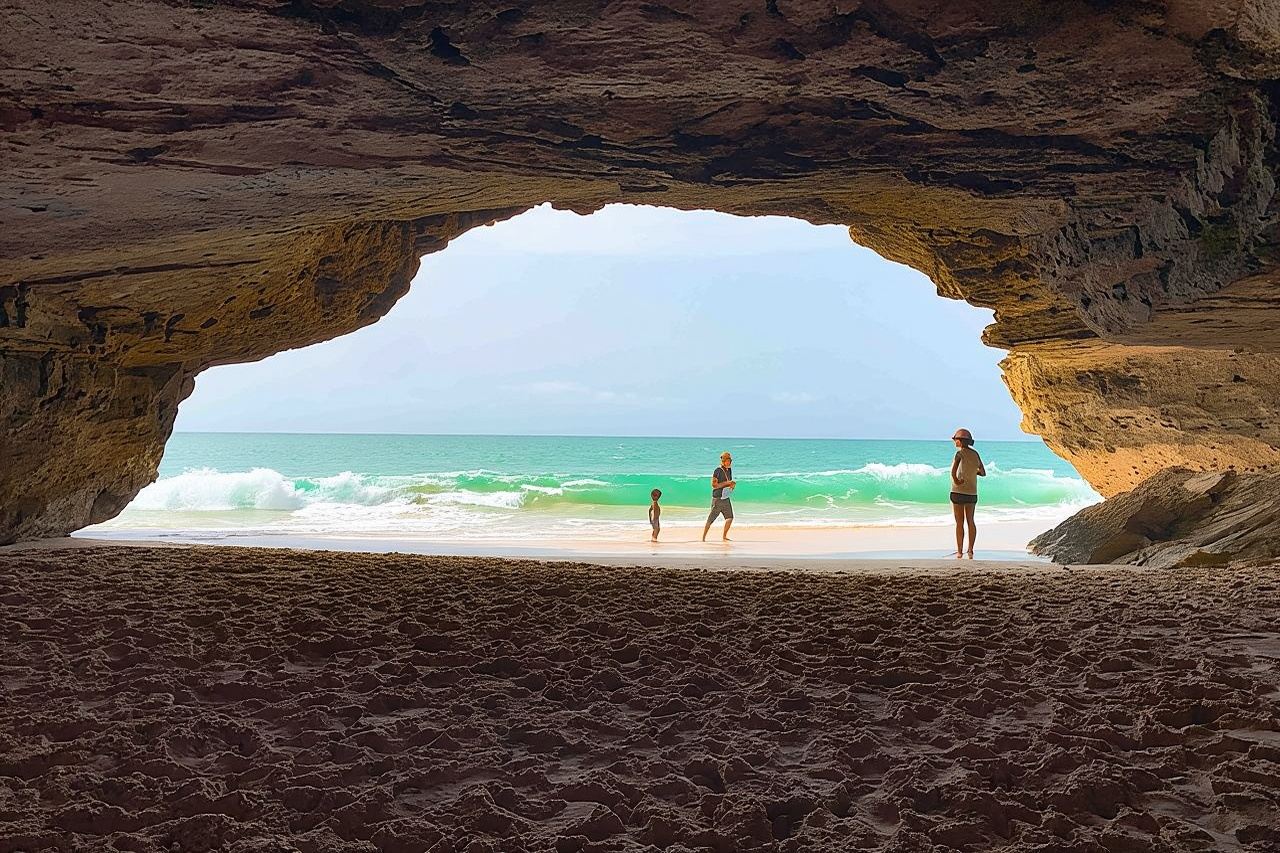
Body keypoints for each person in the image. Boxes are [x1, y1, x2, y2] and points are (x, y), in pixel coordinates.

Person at [949, 428, 986, 558]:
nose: (954, 442)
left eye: (955, 440)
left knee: (959, 522)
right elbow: (983, 472)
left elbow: (953, 472)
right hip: (971, 492)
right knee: (971, 521)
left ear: (959, 441)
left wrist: (957, 481)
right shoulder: (975, 454)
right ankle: (970, 551)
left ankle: (959, 551)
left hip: (958, 491)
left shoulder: (959, 454)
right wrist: (972, 473)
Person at [702, 451, 736, 542]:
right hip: (717, 499)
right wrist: (727, 483)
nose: (729, 462)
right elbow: (714, 485)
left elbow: (728, 483)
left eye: (730, 461)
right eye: (727, 461)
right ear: (723, 461)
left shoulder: (729, 470)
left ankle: (724, 537)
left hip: (725, 498)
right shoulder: (717, 470)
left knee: (730, 518)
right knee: (710, 519)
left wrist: (731, 486)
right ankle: (703, 538)